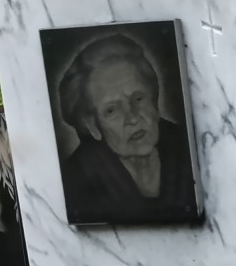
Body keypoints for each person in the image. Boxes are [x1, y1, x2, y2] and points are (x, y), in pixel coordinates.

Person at [57, 32, 198, 224]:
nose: (132, 117)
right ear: (92, 125)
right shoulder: (76, 180)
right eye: (112, 110)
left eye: (138, 98)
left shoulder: (189, 146)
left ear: (154, 100)